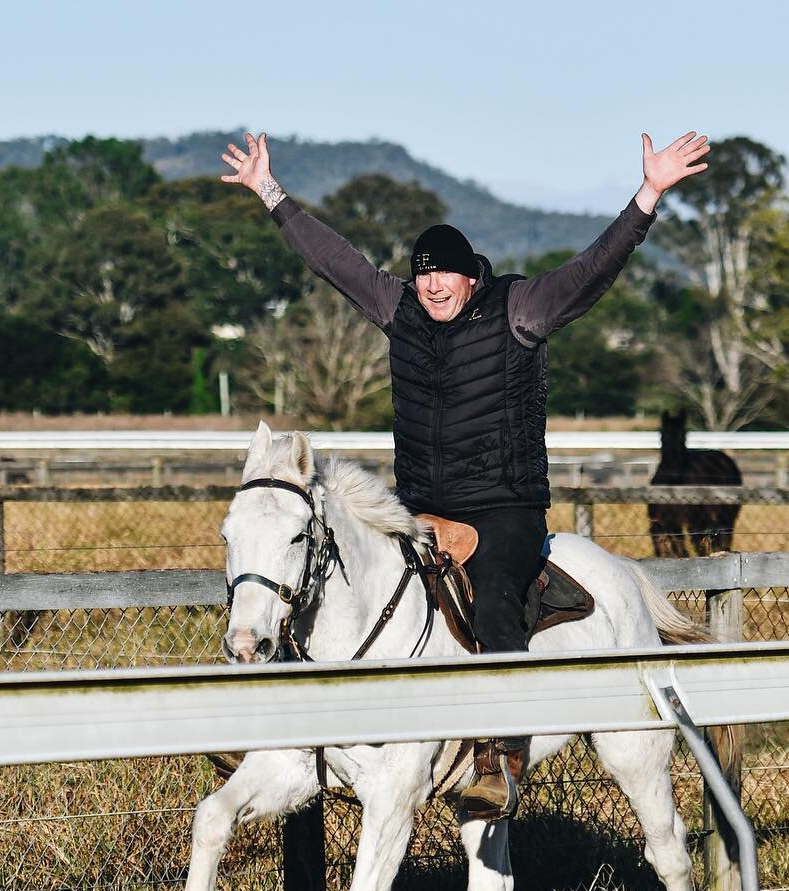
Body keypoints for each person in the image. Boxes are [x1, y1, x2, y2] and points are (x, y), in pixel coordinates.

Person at [222, 128, 709, 820]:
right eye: (422, 275)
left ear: (469, 276)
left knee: (497, 597)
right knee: (336, 583)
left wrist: (649, 195)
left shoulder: (518, 311)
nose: (431, 285)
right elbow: (334, 262)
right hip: (417, 505)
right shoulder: (400, 313)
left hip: (504, 508)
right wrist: (271, 193)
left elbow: (591, 272)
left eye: (442, 274)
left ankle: (499, 761)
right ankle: (293, 739)